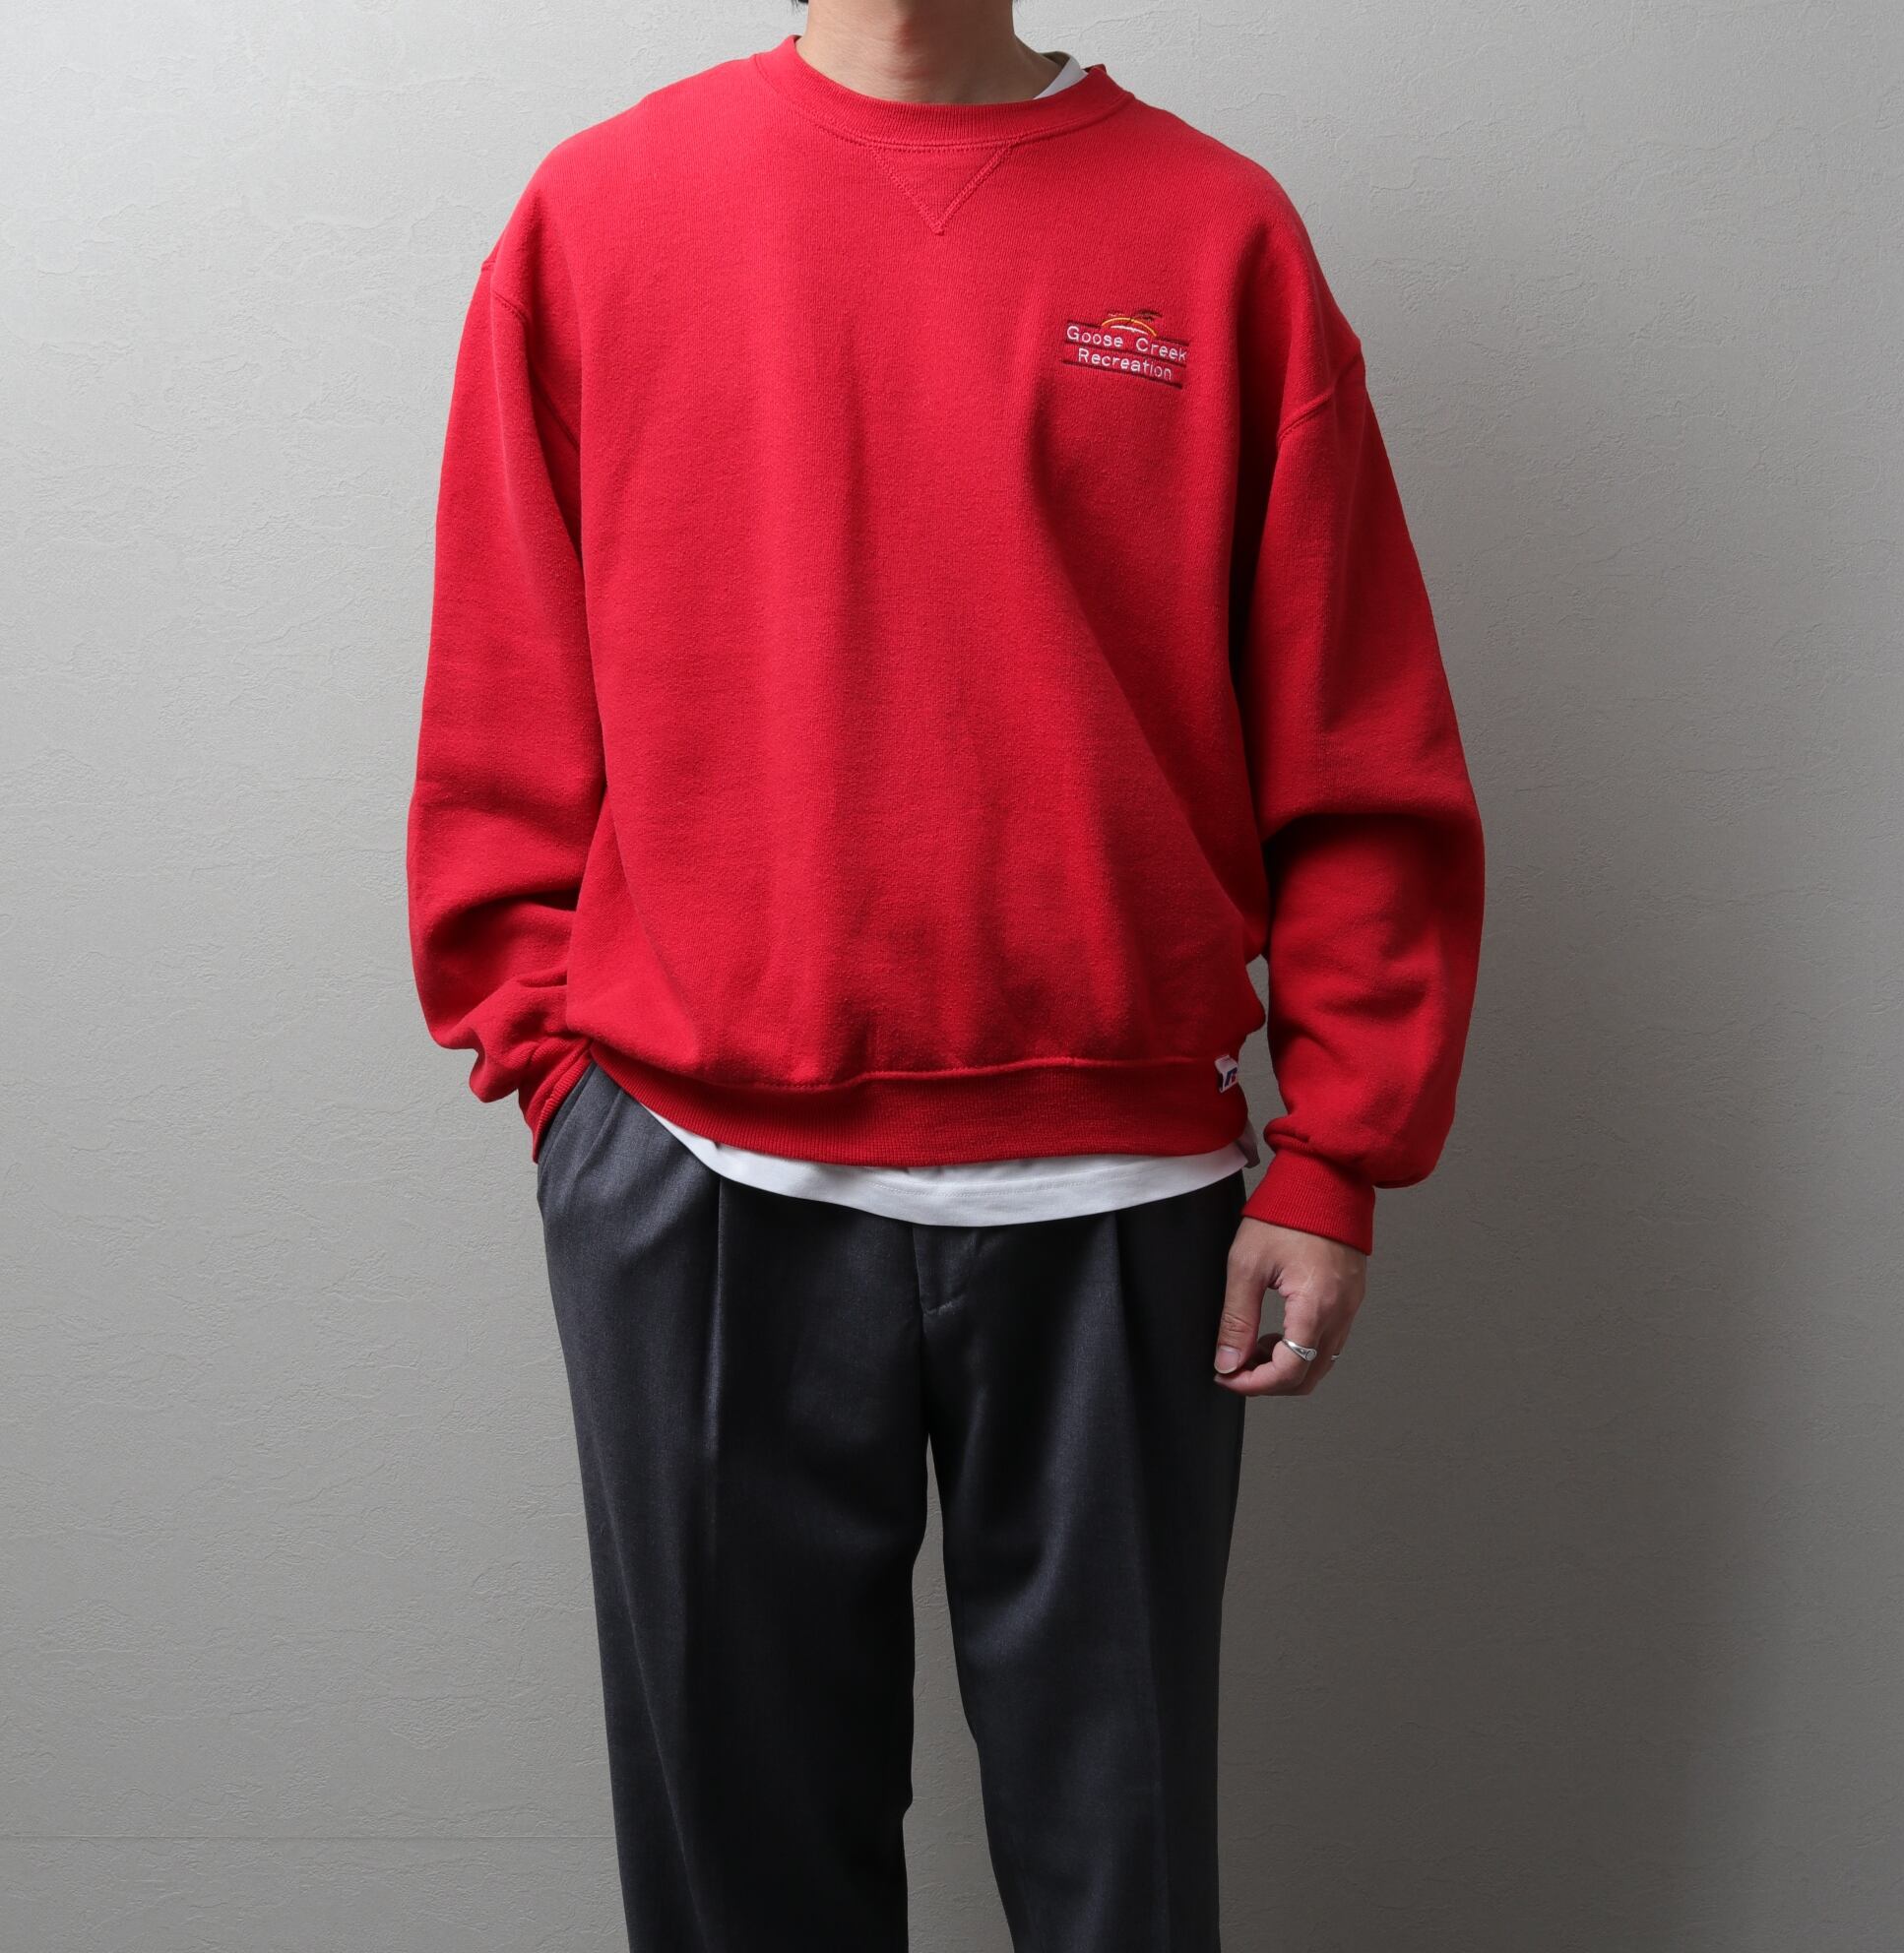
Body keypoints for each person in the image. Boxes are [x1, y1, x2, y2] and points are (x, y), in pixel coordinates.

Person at [407, 3, 1485, 1946]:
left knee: (1119, 1873)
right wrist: (563, 1085)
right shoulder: (602, 212)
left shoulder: (1217, 233)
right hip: (695, 1178)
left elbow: (1352, 728)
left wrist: (1337, 1152)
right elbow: (505, 688)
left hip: (1124, 1199)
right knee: (740, 1883)